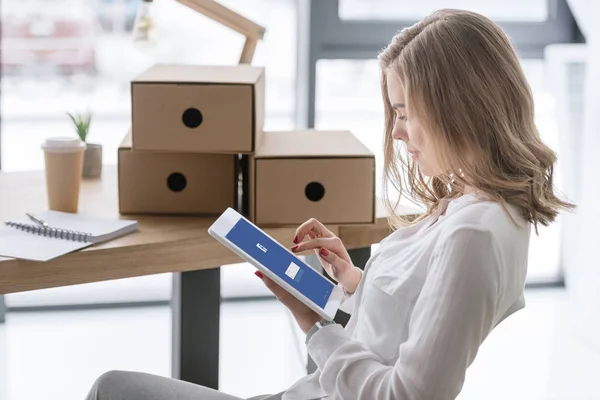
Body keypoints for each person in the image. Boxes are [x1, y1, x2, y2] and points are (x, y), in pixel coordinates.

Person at [85, 8, 574, 400]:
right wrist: (353, 281)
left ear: (456, 106)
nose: (397, 131)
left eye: (404, 113)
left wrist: (314, 325)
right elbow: (416, 314)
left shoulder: (475, 233)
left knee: (112, 389)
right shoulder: (473, 203)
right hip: (308, 391)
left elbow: (409, 394)